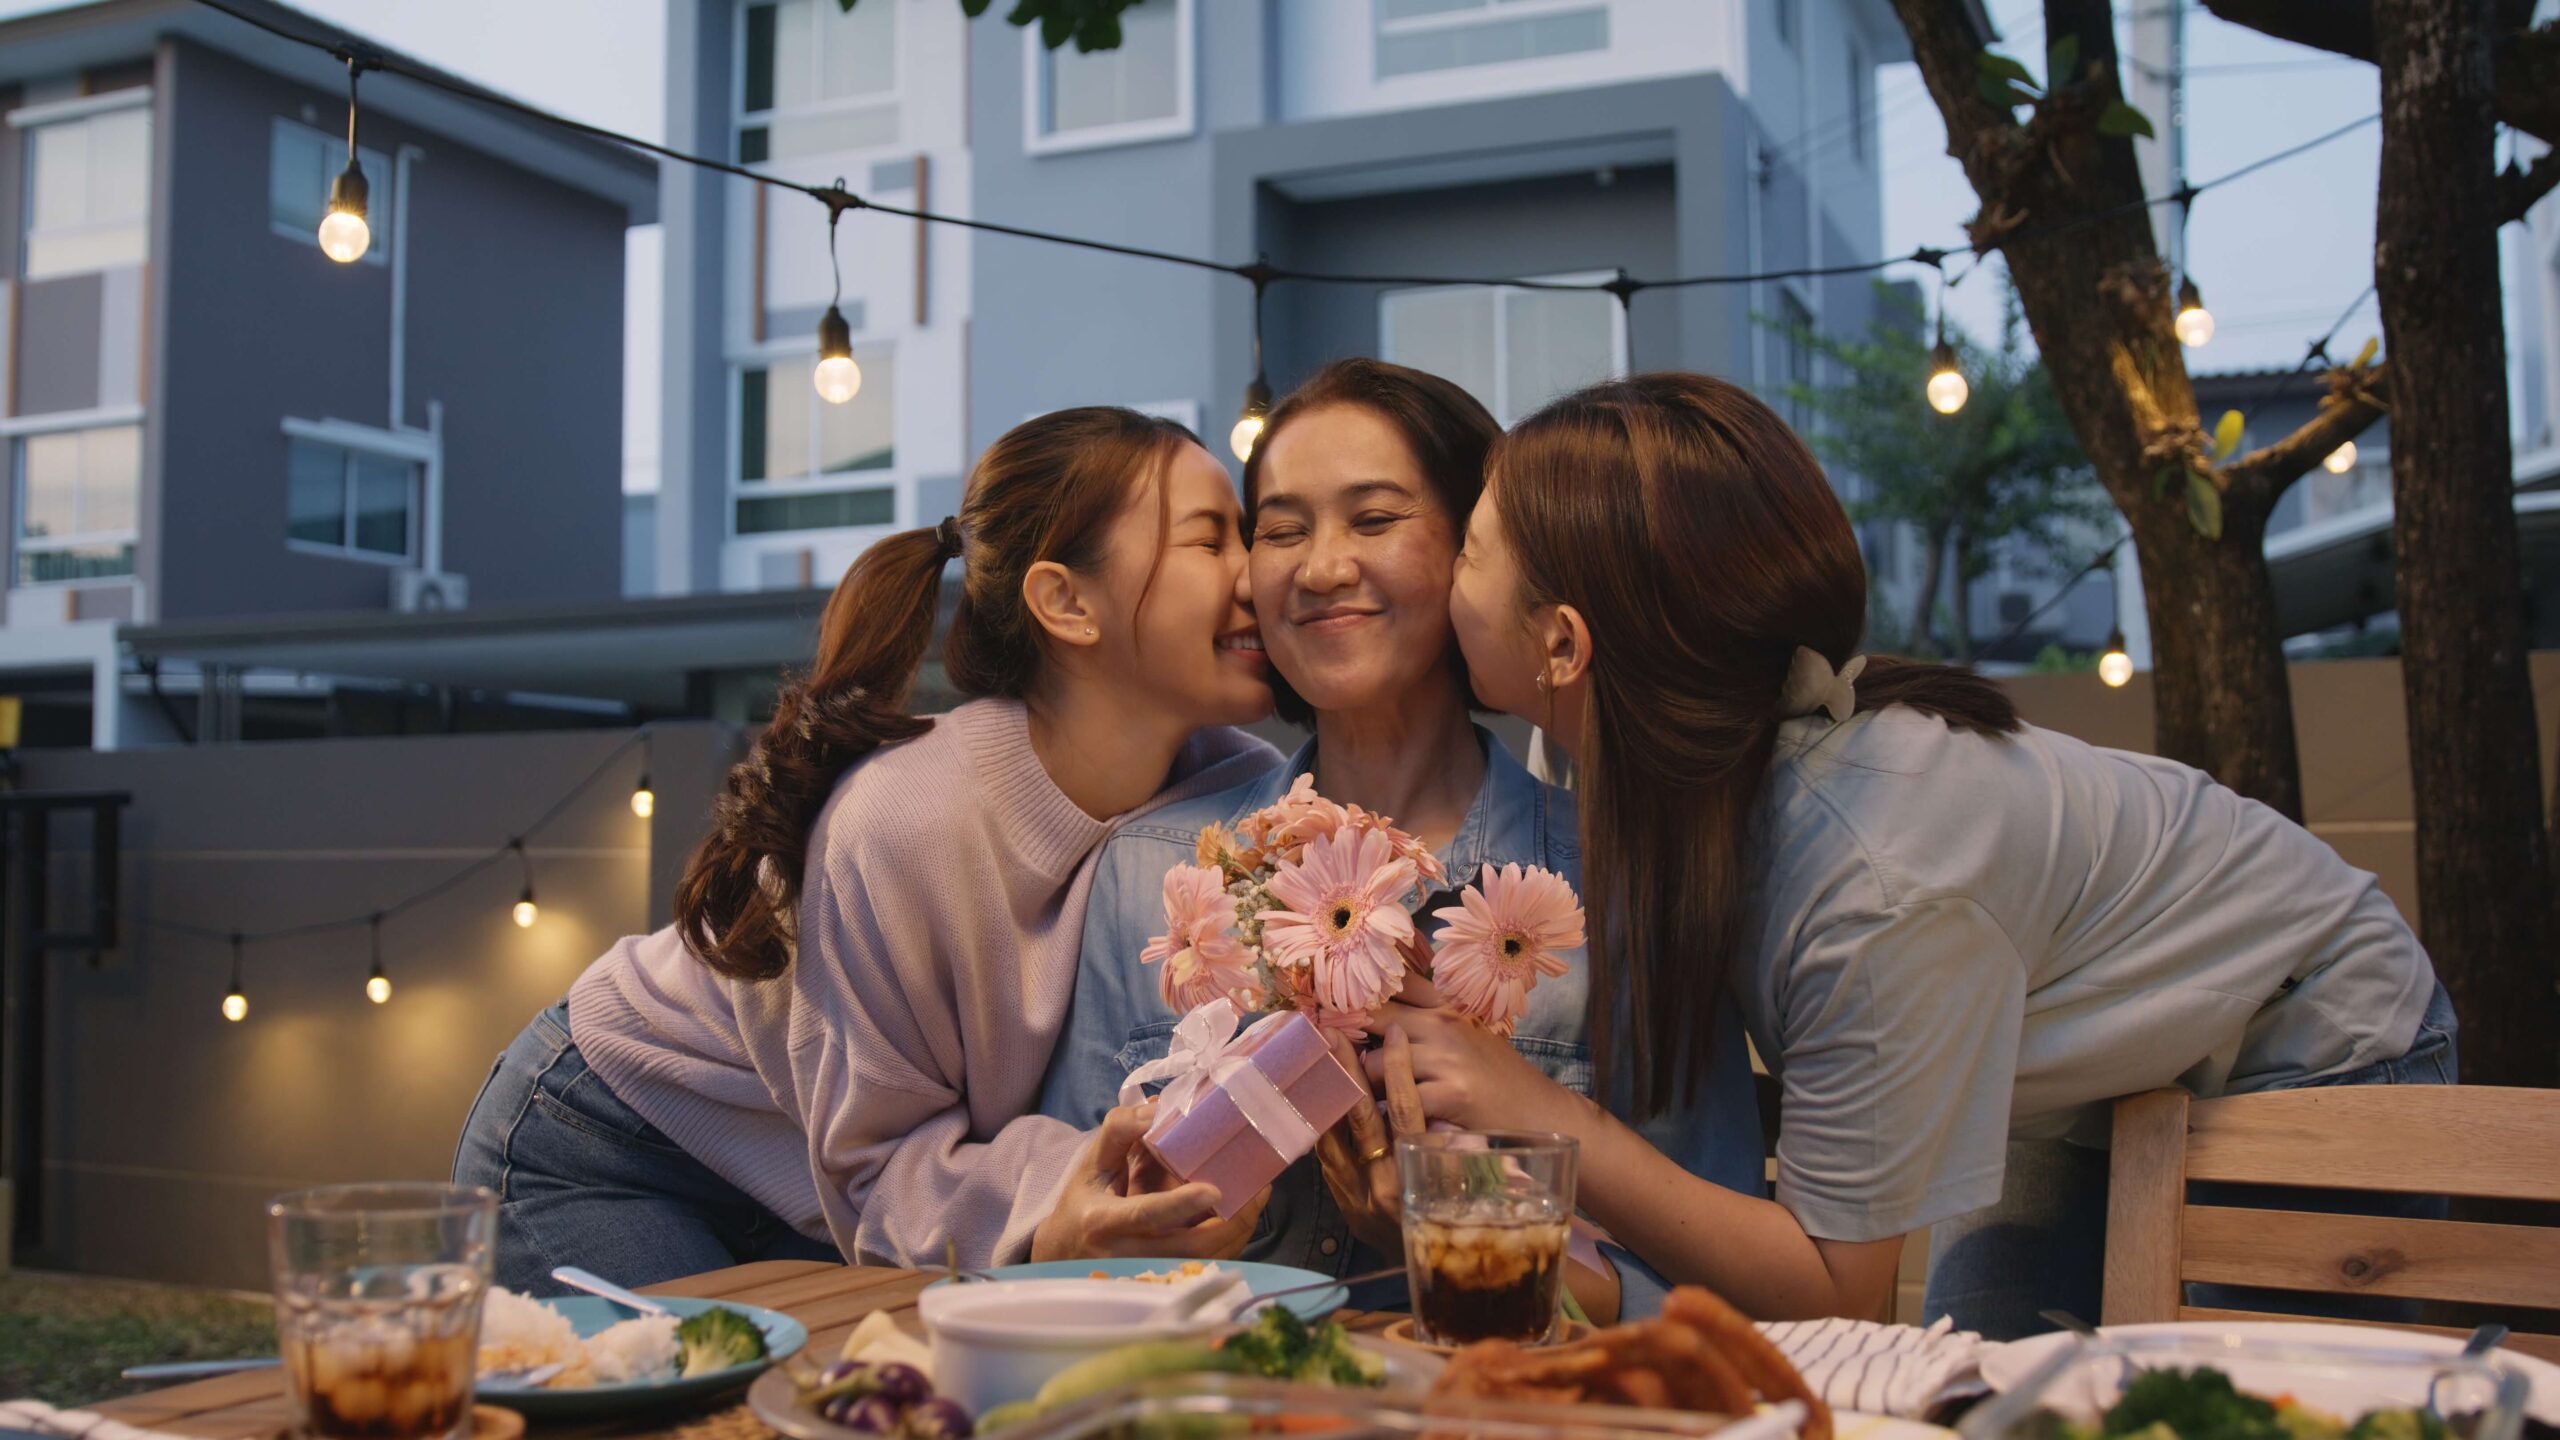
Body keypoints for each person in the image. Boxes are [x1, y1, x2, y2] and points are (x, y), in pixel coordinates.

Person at [1368, 370, 2450, 1338]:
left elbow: (1835, 1290)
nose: (1436, 571)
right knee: (1985, 1394)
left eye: (1466, 546)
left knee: (2239, 1410)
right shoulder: (1595, 750)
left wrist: (1540, 1112)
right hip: (2084, 1071)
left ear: (1563, 643)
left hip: (2306, 1025)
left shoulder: (1873, 887)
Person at [454, 408, 1286, 1293]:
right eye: (1210, 541)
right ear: (1067, 602)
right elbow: (880, 1168)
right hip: (611, 1142)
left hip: (818, 1188)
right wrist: (1063, 1198)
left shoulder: (1233, 786)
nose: (1260, 574)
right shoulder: (908, 820)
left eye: (1249, 534)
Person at [1037, 359, 1765, 1320]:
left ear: (1475, 551)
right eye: (1282, 530)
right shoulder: (1153, 870)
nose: (1321, 567)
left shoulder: (1616, 882)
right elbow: (1076, 1235)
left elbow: (1720, 1302)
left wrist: (1474, 1243)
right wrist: (1121, 1228)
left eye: (1374, 520)